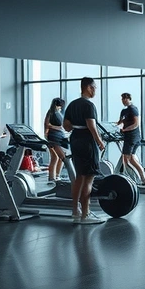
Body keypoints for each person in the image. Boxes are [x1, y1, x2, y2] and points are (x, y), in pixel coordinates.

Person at [63, 77, 107, 224]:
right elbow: (91, 126)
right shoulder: (89, 105)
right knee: (89, 178)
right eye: (94, 87)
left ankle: (76, 211)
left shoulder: (72, 105)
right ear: (88, 87)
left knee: (79, 177)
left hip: (75, 140)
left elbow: (66, 126)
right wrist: (99, 142)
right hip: (87, 142)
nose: (95, 90)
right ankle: (86, 214)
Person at [118, 93, 145, 185]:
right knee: (131, 159)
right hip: (127, 136)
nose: (123, 101)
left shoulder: (133, 109)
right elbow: (119, 122)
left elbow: (136, 124)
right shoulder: (124, 111)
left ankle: (131, 179)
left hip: (132, 137)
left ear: (129, 99)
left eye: (125, 99)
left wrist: (125, 129)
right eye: (122, 99)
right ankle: (143, 178)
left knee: (126, 159)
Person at [43, 98, 68, 183]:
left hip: (59, 135)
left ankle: (56, 176)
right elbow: (47, 124)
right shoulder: (51, 112)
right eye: (59, 107)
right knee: (56, 157)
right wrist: (46, 134)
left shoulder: (59, 113)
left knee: (60, 157)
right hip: (53, 137)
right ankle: (52, 177)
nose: (60, 108)